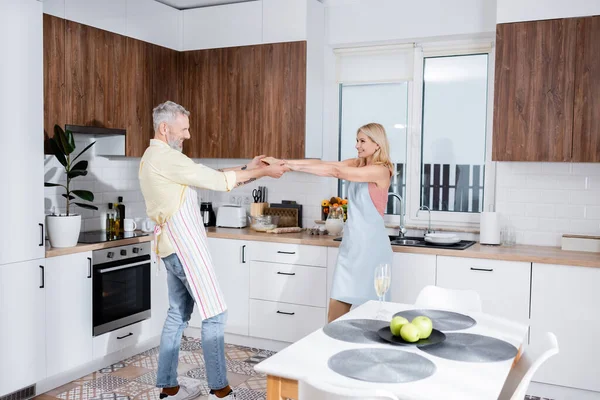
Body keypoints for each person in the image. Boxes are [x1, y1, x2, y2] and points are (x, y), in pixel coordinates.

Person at [139, 101, 289, 400]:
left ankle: (169, 388)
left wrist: (250, 167)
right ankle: (220, 391)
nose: (188, 135)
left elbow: (205, 172)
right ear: (164, 128)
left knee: (178, 314)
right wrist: (263, 173)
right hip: (185, 248)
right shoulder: (165, 157)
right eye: (184, 129)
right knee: (216, 314)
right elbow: (219, 181)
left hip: (171, 247)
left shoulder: (156, 157)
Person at [264, 122, 393, 322]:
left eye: (362, 141)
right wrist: (285, 163)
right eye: (356, 140)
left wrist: (288, 166)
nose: (357, 145)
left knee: (376, 315)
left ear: (377, 144)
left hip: (372, 250)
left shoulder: (381, 171)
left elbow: (336, 171)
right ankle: (331, 348)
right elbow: (326, 165)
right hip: (351, 246)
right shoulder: (359, 164)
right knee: (336, 311)